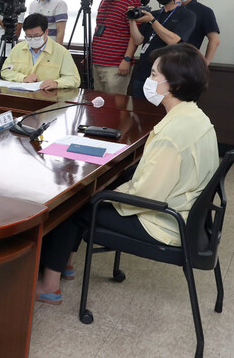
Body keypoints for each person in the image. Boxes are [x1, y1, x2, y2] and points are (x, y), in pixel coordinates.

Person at [36, 44, 217, 304]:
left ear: (174, 84)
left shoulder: (171, 135)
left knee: (72, 205)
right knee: (93, 193)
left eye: (154, 76)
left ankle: (49, 285)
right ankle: (64, 263)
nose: (148, 80)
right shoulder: (197, 118)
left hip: (164, 222)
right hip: (187, 212)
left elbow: (147, 194)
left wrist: (104, 193)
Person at [129, 0, 196, 99]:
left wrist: (152, 21)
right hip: (143, 73)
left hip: (166, 76)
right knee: (138, 114)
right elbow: (138, 40)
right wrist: (132, 20)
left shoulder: (187, 15)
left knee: (159, 115)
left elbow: (174, 40)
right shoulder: (154, 13)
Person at [91, 0, 141, 95]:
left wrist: (127, 59)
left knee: (115, 106)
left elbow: (134, 35)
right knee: (99, 103)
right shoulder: (104, 0)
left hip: (116, 65)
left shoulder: (131, 1)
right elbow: (99, 28)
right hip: (97, 61)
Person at [0, 13, 80, 90]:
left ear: (46, 32)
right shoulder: (17, 49)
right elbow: (5, 71)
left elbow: (74, 79)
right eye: (29, 36)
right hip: (21, 97)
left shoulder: (61, 52)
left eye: (37, 36)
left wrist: (56, 83)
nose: (33, 39)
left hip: (48, 98)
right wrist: (23, 78)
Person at [179, 0, 220, 65]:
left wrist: (205, 64)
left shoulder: (204, 11)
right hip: (164, 63)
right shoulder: (170, 9)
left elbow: (215, 40)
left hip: (187, 64)